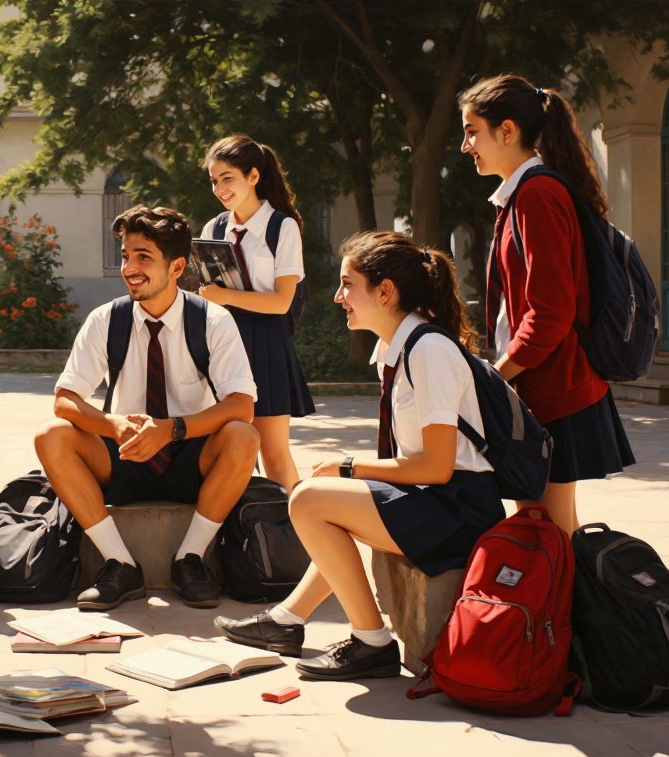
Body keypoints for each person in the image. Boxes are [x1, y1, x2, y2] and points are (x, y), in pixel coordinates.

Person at [215, 232, 504, 681]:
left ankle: (371, 642)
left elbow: (436, 465)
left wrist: (349, 466)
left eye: (348, 284)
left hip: (459, 509)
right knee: (326, 498)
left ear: (385, 291)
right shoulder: (398, 347)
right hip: (436, 499)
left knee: (309, 500)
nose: (338, 296)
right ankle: (288, 620)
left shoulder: (428, 350)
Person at [34, 205, 260, 611]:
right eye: (125, 256)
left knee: (243, 435)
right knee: (51, 437)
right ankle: (119, 564)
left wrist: (170, 430)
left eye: (143, 258)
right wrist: (114, 425)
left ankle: (191, 559)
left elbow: (241, 405)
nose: (129, 268)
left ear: (176, 268)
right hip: (125, 454)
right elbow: (64, 400)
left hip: (191, 455)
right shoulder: (106, 320)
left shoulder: (213, 320)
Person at [459, 73, 635, 533]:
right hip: (548, 388)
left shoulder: (536, 194)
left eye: (472, 131)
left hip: (557, 390)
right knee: (552, 530)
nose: (466, 145)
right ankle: (567, 607)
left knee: (546, 532)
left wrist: (496, 377)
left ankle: (581, 608)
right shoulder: (524, 194)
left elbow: (550, 311)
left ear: (508, 131)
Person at [198, 135, 315, 492]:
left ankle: (296, 536)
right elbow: (206, 296)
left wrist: (223, 295)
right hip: (222, 343)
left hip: (266, 342)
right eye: (214, 180)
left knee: (274, 456)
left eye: (227, 178)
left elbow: (281, 301)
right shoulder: (213, 229)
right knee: (229, 451)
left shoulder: (283, 227)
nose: (219, 188)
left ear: (253, 176)